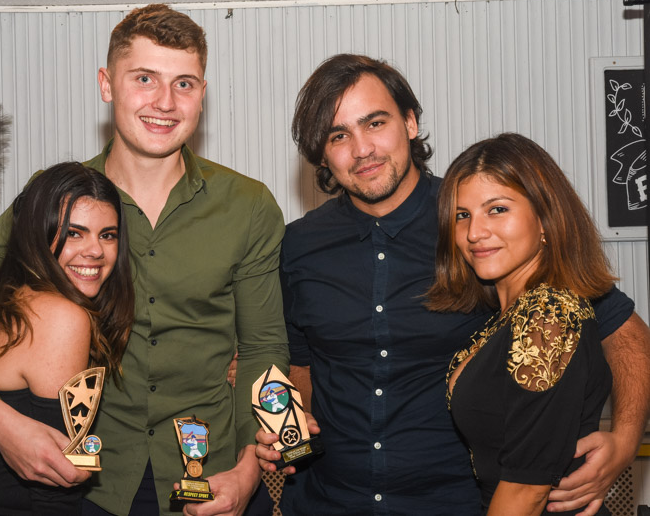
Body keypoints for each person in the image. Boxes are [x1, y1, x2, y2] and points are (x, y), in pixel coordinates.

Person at [0, 4, 289, 516]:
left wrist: (248, 469)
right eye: (144, 78)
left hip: (211, 478)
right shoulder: (53, 199)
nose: (165, 102)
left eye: (184, 84)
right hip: (90, 489)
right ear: (107, 85)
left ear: (202, 93)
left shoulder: (248, 204)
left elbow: (262, 347)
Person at [256, 54, 650, 515]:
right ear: (321, 153)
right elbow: (302, 360)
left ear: (409, 122)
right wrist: (294, 421)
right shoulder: (298, 245)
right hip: (329, 501)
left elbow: (624, 334)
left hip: (463, 502)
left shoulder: (475, 228)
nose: (362, 149)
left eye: (375, 123)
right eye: (338, 135)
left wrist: (625, 438)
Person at [0, 162, 135, 515]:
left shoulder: (13, 302)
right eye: (74, 233)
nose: (96, 251)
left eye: (108, 235)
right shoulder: (60, 317)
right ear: (39, 235)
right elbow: (56, 486)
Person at [427, 133, 614, 515]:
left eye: (497, 209)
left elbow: (526, 491)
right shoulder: (508, 318)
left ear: (545, 218)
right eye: (462, 215)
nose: (474, 233)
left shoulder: (549, 316)